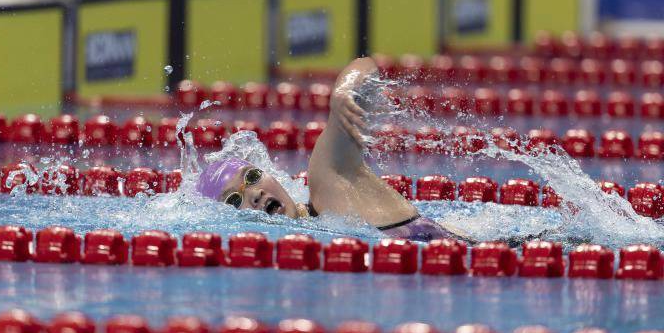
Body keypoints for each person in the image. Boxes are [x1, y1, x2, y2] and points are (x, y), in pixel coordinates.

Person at [196, 57, 471, 242]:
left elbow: (365, 65)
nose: (255, 194)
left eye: (252, 177)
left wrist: (343, 93)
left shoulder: (329, 185)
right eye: (234, 199)